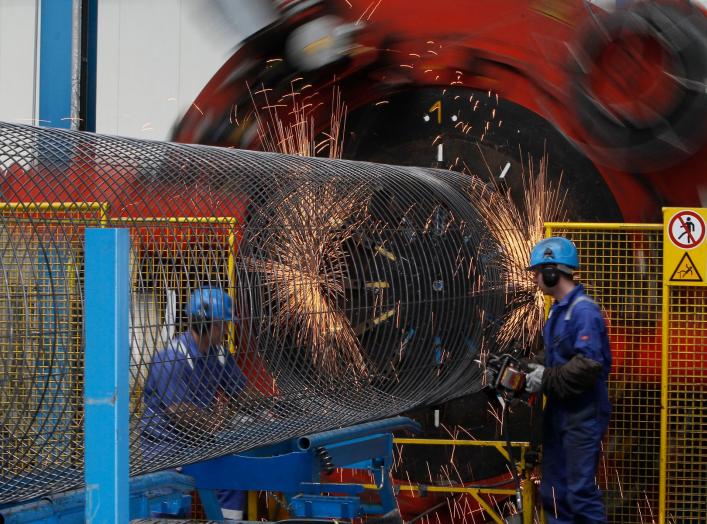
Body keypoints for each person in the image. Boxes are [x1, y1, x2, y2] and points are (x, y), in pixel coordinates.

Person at [524, 237, 612, 524]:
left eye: (537, 271)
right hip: (560, 414)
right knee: (554, 493)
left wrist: (545, 378)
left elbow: (588, 365)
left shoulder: (583, 311)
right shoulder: (558, 311)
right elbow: (552, 357)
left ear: (552, 272)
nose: (535, 278)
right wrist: (523, 370)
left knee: (579, 494)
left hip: (582, 416)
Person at [142, 286, 247, 521]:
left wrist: (276, 407)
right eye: (223, 325)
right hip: (165, 452)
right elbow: (180, 412)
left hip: (198, 445)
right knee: (170, 509)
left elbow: (242, 393)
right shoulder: (172, 358)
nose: (227, 330)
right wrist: (217, 422)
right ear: (207, 324)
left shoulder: (218, 354)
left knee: (231, 478)